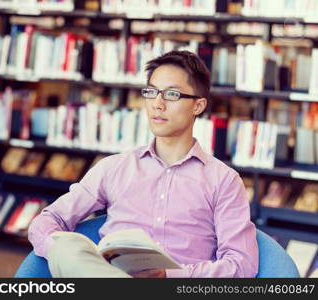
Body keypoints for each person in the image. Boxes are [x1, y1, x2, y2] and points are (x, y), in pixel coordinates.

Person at [28, 50, 258, 278]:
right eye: (151, 92)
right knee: (67, 248)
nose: (157, 104)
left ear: (198, 106)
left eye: (172, 95)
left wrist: (168, 276)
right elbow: (48, 221)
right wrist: (61, 252)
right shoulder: (114, 168)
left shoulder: (224, 181)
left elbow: (241, 265)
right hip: (108, 277)